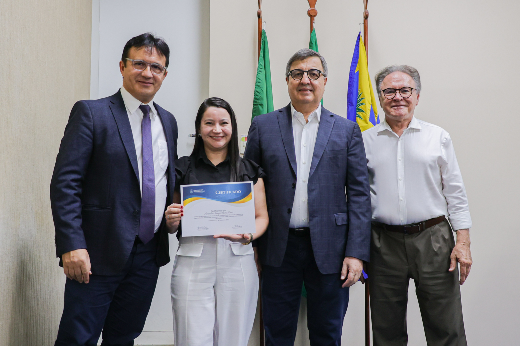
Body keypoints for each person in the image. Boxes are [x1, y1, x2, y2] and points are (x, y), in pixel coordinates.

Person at [50, 33, 177, 346]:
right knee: (78, 338)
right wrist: (71, 244)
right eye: (139, 64)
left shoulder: (169, 122)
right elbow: (65, 183)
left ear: (164, 74)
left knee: (124, 337)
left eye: (156, 67)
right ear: (122, 66)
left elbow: (163, 181)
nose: (148, 73)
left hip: (148, 253)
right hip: (96, 251)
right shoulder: (92, 113)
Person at [244, 48, 371, 345]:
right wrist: (250, 243)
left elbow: (360, 196)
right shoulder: (263, 127)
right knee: (277, 332)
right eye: (297, 73)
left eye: (313, 74)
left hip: (332, 249)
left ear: (324, 81)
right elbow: (248, 187)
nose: (305, 80)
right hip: (277, 248)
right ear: (287, 80)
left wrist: (356, 252)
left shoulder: (346, 130)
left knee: (327, 333)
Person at [362, 65, 472, 346]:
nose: (397, 96)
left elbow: (456, 193)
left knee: (446, 328)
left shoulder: (438, 137)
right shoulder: (365, 141)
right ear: (380, 97)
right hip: (382, 242)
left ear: (417, 96)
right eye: (389, 91)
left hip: (434, 241)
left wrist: (463, 243)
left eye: (405, 90)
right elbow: (356, 196)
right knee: (387, 332)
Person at [165, 97, 269, 346]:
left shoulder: (249, 170)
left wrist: (249, 236)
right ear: (199, 129)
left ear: (232, 128)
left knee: (233, 339)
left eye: (223, 123)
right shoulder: (182, 168)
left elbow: (262, 216)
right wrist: (171, 219)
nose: (217, 129)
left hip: (238, 259)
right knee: (192, 338)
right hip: (193, 259)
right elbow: (172, 223)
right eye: (209, 123)